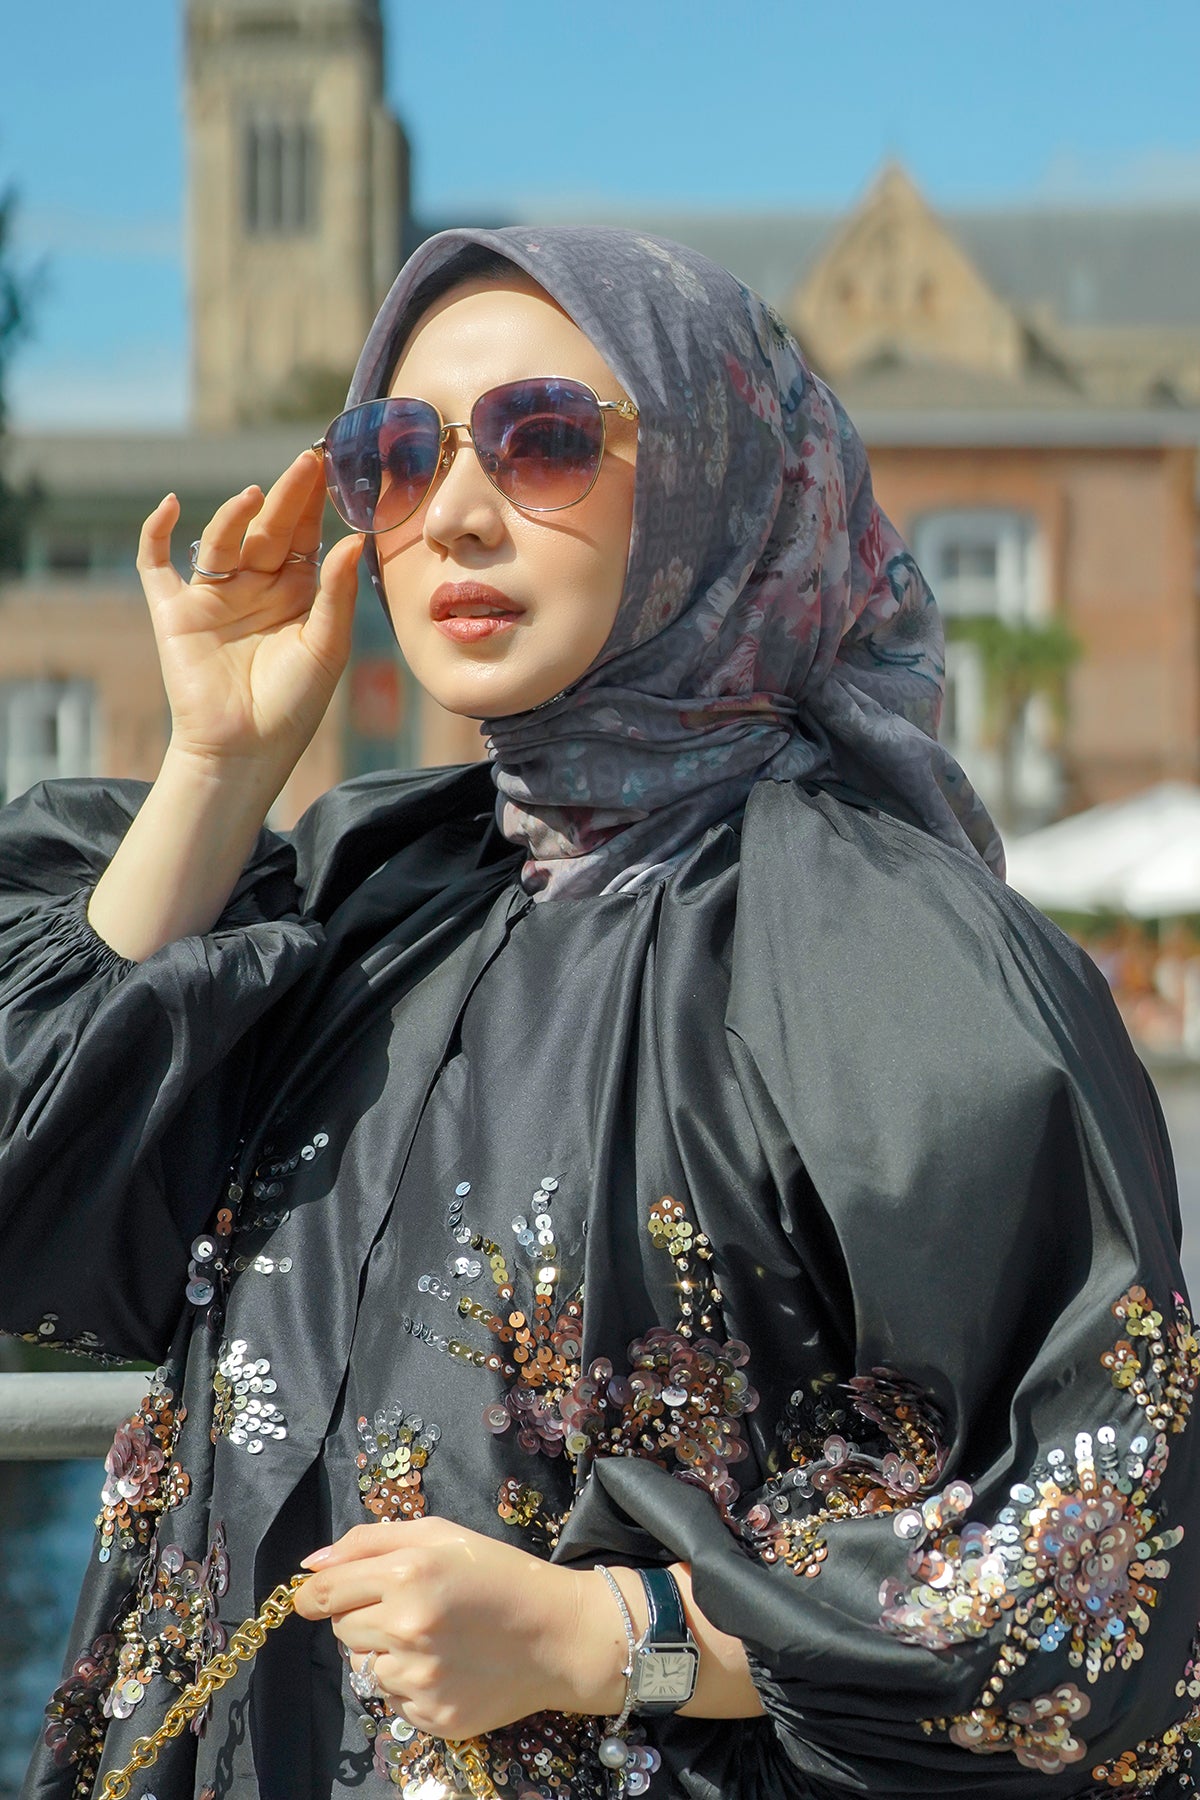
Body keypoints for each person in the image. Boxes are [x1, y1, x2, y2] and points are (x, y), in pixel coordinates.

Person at [2, 226, 1198, 1800]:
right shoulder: (370, 900)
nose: (456, 512)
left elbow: (1101, 1545)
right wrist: (219, 763)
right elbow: (33, 1190)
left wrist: (613, 1634)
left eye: (546, 439)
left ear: (710, 479)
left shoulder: (887, 951)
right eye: (398, 453)